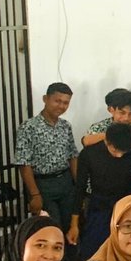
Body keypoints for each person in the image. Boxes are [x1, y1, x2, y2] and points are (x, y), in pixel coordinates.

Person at [69, 121, 131, 261]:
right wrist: (74, 224)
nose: (119, 155)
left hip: (127, 206)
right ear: (106, 141)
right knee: (93, 252)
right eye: (115, 150)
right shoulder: (89, 154)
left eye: (124, 152)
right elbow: (80, 189)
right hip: (99, 206)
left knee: (127, 253)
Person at [14, 82, 79, 232]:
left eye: (66, 103)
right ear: (45, 99)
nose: (61, 106)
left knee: (71, 227)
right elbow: (24, 163)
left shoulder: (65, 126)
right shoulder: (28, 127)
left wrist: (78, 186)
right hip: (42, 185)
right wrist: (35, 194)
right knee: (51, 228)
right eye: (57, 101)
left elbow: (73, 156)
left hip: (66, 182)